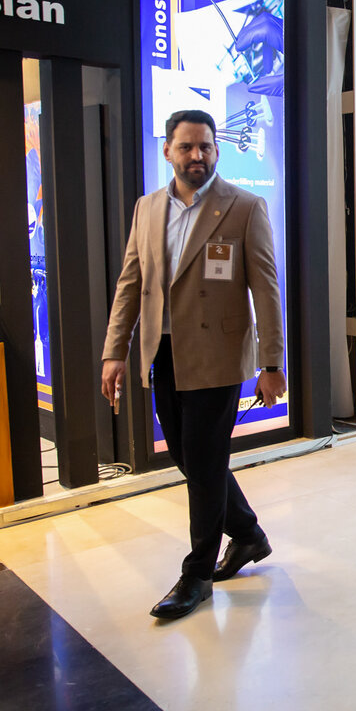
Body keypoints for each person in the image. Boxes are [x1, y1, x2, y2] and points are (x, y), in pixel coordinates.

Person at [101, 109, 286, 620]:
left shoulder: (244, 206)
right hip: (163, 351)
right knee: (190, 457)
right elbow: (131, 283)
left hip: (217, 355)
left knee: (203, 464)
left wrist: (271, 361)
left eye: (205, 146)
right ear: (168, 151)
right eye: (186, 146)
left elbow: (266, 288)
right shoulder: (147, 209)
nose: (197, 155)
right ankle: (247, 533)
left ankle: (197, 575)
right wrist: (114, 351)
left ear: (216, 150)